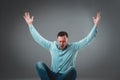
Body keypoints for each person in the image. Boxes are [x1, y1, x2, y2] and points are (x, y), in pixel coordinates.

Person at [23, 12, 101, 80]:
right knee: (39, 64)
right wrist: (30, 25)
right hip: (53, 75)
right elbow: (39, 39)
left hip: (65, 77)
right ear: (57, 40)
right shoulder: (51, 46)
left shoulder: (74, 47)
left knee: (73, 70)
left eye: (64, 41)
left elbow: (87, 40)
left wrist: (96, 25)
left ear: (67, 40)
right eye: (60, 41)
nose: (61, 43)